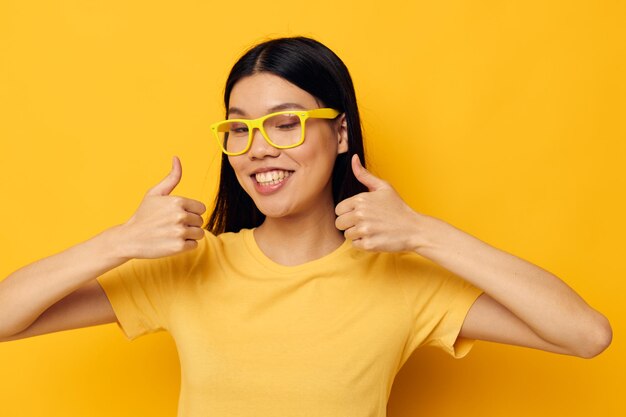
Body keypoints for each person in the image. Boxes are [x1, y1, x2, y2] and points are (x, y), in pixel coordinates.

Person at [0, 36, 612, 416]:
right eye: (239, 128)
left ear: (339, 133)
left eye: (285, 122)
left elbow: (586, 335)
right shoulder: (193, 266)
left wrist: (424, 233)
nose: (257, 148)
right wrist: (117, 243)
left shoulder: (400, 279)